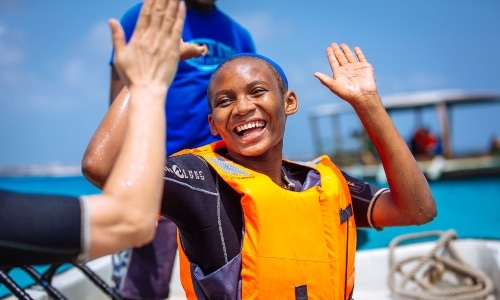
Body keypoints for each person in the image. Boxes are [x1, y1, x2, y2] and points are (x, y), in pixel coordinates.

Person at [82, 43, 437, 299]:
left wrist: (368, 104)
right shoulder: (201, 181)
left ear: (289, 103)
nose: (242, 107)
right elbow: (102, 166)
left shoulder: (322, 182)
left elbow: (416, 209)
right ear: (213, 124)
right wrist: (145, 80)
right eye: (225, 101)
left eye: (257, 92)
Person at [0, 0, 207, 268]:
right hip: (161, 177)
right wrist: (148, 82)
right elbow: (127, 215)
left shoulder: (237, 34)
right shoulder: (139, 17)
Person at [102, 1, 256, 298]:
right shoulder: (145, 15)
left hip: (217, 179)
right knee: (144, 287)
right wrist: (128, 170)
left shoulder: (240, 36)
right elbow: (120, 89)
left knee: (224, 282)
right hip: (155, 173)